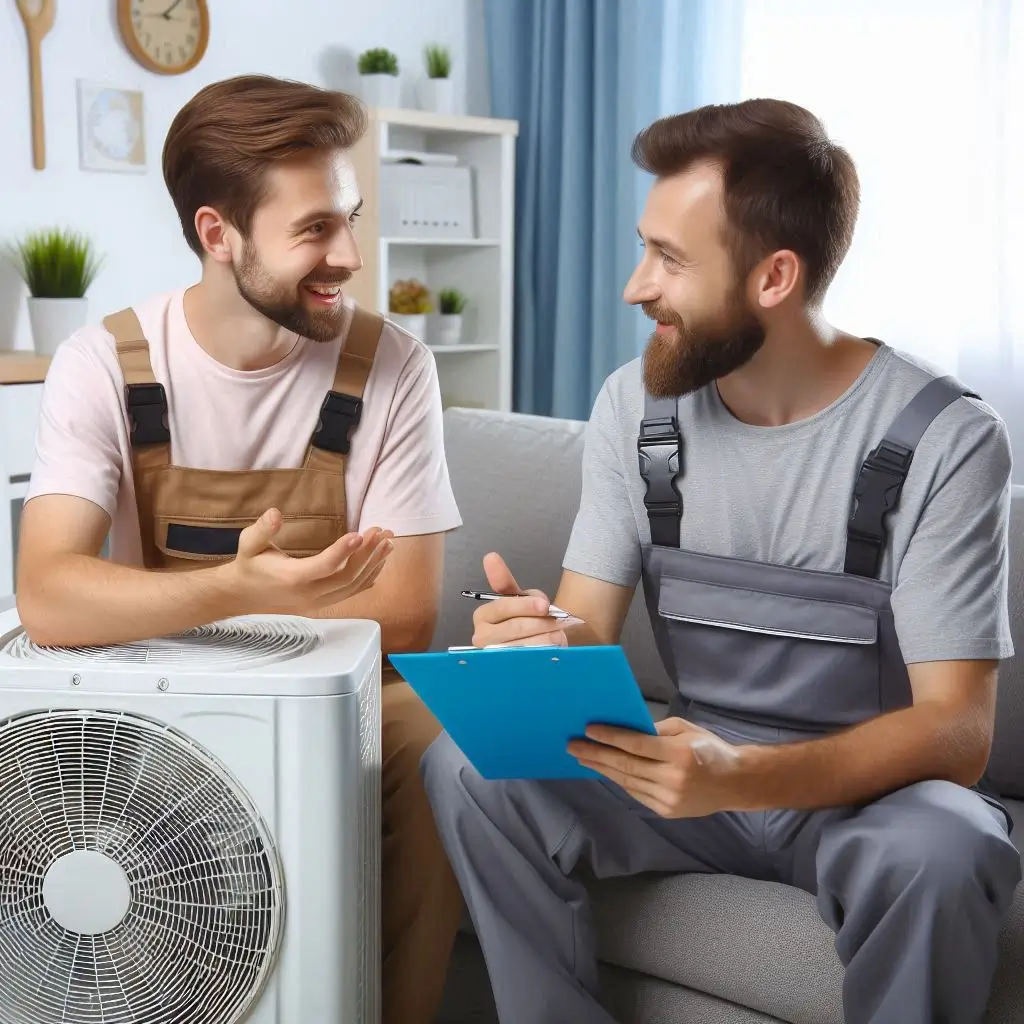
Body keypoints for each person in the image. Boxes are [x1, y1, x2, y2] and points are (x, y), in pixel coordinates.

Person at [420, 98, 1022, 1024]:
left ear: (774, 276)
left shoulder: (946, 438)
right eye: (642, 246)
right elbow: (588, 627)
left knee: (948, 850)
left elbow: (956, 732)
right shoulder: (637, 408)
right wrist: (536, 641)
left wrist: (740, 775)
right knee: (466, 764)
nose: (634, 286)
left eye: (669, 259)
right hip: (685, 775)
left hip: (867, 800)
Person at [16, 75, 462, 1024]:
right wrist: (249, 589)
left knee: (438, 749)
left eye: (350, 217)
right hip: (155, 689)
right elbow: (51, 595)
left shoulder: (393, 365)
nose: (348, 255)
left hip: (351, 693)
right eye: (313, 231)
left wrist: (220, 600)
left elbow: (409, 613)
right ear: (219, 233)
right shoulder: (105, 363)